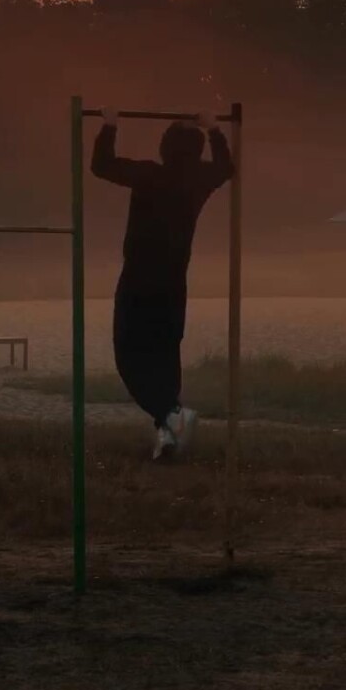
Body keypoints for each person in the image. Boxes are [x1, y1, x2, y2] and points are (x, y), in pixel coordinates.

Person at [91, 108, 234, 461]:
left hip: (139, 280)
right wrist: (214, 129)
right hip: (173, 284)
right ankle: (167, 434)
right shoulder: (199, 179)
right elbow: (225, 167)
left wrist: (110, 123)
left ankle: (170, 415)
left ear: (165, 147)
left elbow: (101, 164)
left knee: (128, 356)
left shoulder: (149, 175)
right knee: (165, 358)